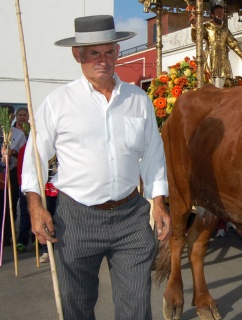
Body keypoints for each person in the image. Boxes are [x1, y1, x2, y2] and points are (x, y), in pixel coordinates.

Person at [21, 15, 171, 319]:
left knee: (136, 307)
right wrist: (36, 207)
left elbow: (154, 154)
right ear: (78, 55)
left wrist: (158, 202)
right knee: (76, 305)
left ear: (117, 52)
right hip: (76, 218)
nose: (102, 60)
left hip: (130, 217)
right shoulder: (57, 103)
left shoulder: (137, 99)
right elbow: (34, 159)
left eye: (109, 51)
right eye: (93, 53)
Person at [189, 0, 242, 85]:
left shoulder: (225, 29)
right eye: (218, 12)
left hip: (223, 59)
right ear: (212, 14)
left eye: (222, 13)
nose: (220, 15)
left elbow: (233, 44)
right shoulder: (206, 26)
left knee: (226, 83)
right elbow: (196, 39)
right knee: (209, 81)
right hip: (210, 57)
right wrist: (194, 25)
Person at [0, 104, 27, 247]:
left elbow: (24, 155)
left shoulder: (18, 134)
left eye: (8, 114)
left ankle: (7, 235)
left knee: (10, 205)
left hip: (11, 172)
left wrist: (12, 153)